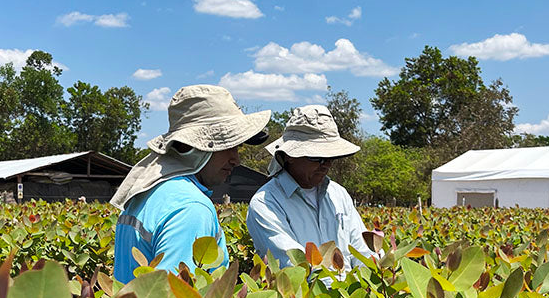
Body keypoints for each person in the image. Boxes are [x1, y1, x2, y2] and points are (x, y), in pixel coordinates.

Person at [111, 85, 270, 284]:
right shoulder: (191, 207)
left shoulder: (148, 191)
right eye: (229, 147)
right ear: (191, 147)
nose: (235, 160)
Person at [246, 105, 373, 271]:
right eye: (317, 157)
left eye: (330, 157)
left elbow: (362, 251)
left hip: (350, 292)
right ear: (289, 156)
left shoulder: (338, 194)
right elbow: (296, 267)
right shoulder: (265, 203)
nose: (325, 164)